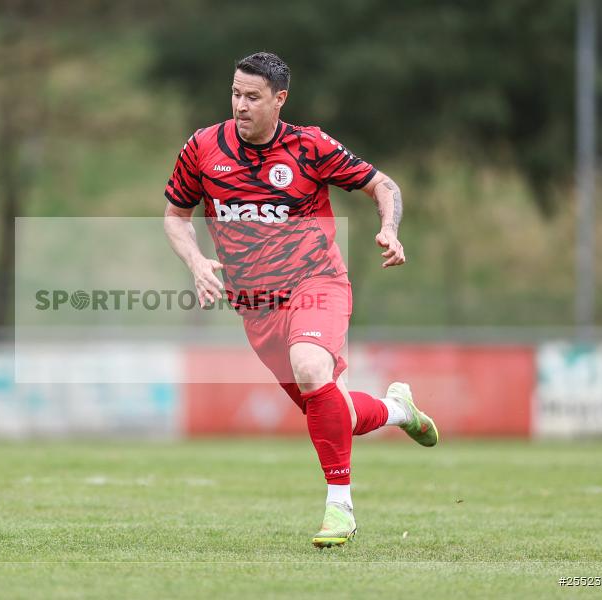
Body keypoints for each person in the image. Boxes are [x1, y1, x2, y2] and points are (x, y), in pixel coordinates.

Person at [163, 51, 438, 547]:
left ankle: (341, 509)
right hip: (256, 306)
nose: (240, 105)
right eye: (235, 93)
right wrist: (197, 263)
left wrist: (390, 229)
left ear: (279, 99)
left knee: (311, 370)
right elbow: (174, 216)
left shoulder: (308, 146)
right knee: (339, 415)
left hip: (317, 282)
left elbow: (382, 184)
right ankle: (399, 410)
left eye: (252, 97)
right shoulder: (203, 147)